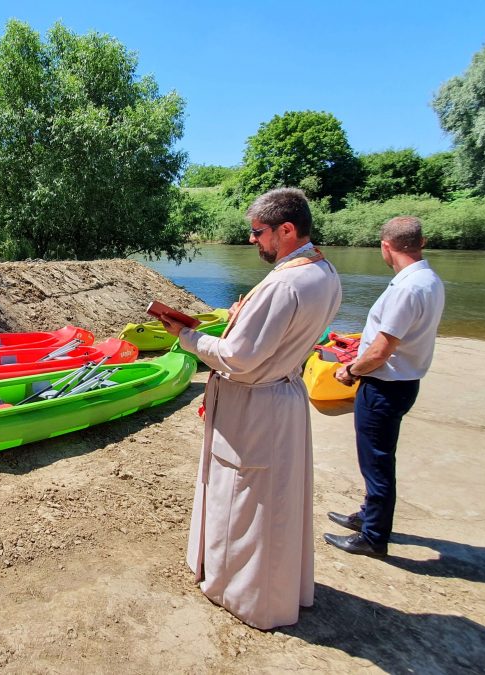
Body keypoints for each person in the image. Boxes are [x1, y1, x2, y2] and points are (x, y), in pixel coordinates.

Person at [159, 187, 342, 630]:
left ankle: (238, 592)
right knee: (274, 499)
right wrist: (243, 313)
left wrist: (186, 336)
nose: (252, 240)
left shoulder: (284, 282)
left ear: (286, 229)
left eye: (258, 232)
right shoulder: (325, 271)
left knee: (244, 499)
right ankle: (273, 587)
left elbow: (238, 359)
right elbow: (282, 335)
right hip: (283, 394)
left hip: (255, 404)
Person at [325, 216, 445, 557]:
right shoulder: (428, 279)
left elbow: (381, 350)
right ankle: (367, 517)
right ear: (421, 243)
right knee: (375, 458)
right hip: (401, 382)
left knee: (376, 462)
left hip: (384, 386)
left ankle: (374, 537)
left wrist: (350, 369)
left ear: (386, 247)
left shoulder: (408, 288)